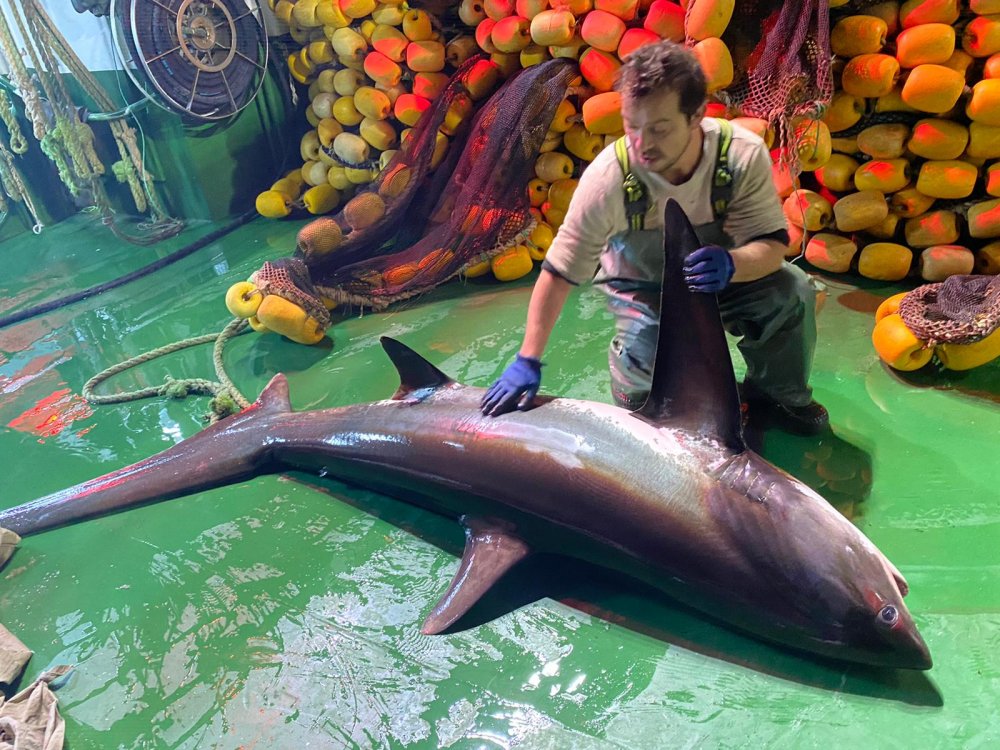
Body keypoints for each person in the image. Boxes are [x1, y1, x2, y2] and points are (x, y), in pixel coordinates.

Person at [480, 40, 829, 435]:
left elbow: (772, 246)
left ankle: (776, 394)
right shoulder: (609, 175)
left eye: (660, 129)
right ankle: (637, 388)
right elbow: (559, 272)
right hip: (645, 289)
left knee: (791, 292)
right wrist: (529, 358)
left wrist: (735, 264)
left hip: (728, 278)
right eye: (632, 126)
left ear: (696, 114)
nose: (643, 145)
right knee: (647, 385)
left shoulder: (741, 155)